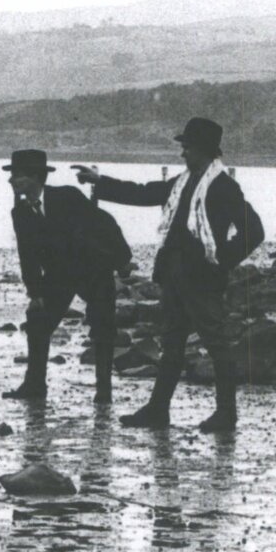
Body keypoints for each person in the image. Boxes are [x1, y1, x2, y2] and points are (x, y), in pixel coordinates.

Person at [76, 117, 252, 433]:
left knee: (217, 344)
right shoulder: (181, 183)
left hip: (202, 281)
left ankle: (227, 414)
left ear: (204, 150)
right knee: (171, 344)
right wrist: (100, 182)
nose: (182, 153)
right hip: (173, 277)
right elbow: (144, 193)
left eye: (187, 147)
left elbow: (254, 231)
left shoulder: (225, 187)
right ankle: (158, 410)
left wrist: (220, 260)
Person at [3, 148, 132, 402]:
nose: (11, 180)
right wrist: (35, 293)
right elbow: (27, 255)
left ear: (35, 177)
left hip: (94, 270)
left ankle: (104, 391)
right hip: (58, 276)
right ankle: (35, 386)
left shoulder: (67, 196)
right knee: (37, 322)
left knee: (103, 328)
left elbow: (105, 223)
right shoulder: (20, 212)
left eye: (17, 175)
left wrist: (122, 260)